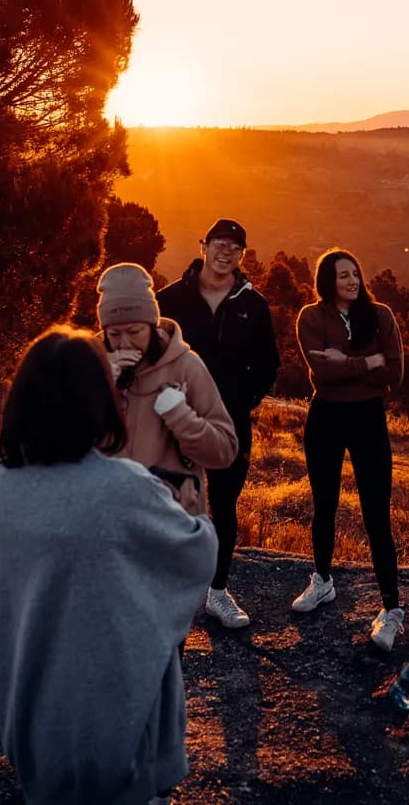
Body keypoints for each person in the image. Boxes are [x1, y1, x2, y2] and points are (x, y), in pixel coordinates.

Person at [0, 326, 218, 805]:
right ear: (98, 401)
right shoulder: (122, 487)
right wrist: (184, 505)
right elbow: (195, 554)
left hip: (33, 709)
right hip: (110, 716)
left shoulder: (4, 482)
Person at [157, 219, 280, 627]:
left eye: (235, 247)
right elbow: (148, 355)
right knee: (168, 501)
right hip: (171, 420)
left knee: (225, 506)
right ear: (203, 246)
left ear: (242, 255)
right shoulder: (170, 299)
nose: (225, 253)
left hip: (228, 423)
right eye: (219, 244)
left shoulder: (253, 304)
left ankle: (218, 592)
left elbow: (268, 365)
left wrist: (241, 403)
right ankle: (166, 588)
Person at [293, 247, 405, 651]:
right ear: (328, 280)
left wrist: (350, 363)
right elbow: (321, 373)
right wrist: (367, 362)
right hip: (325, 417)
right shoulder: (310, 316)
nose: (352, 281)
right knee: (324, 503)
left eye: (355, 273)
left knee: (377, 513)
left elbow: (395, 372)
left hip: (368, 420)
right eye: (343, 275)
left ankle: (391, 607)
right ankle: (322, 580)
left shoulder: (380, 316)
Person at [96, 262, 239, 516]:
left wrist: (181, 416)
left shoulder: (186, 366)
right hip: (109, 525)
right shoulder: (90, 367)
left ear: (152, 324)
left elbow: (224, 452)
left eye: (135, 331)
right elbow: (63, 447)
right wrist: (102, 386)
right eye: (114, 334)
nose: (124, 343)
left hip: (174, 527)